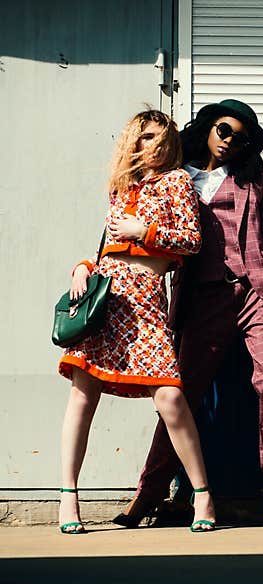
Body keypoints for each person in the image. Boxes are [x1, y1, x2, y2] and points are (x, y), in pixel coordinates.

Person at [113, 99, 263, 530]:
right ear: (209, 128)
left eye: (241, 138)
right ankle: (148, 495)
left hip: (259, 294)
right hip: (202, 299)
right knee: (180, 394)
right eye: (224, 130)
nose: (230, 141)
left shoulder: (254, 182)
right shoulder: (174, 180)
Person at [58, 109, 216, 534]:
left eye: (158, 138)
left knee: (169, 399)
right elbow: (106, 244)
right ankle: (68, 498)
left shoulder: (177, 181)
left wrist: (143, 230)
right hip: (107, 296)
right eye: (143, 137)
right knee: (82, 396)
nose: (151, 146)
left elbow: (191, 240)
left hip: (145, 300)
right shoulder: (121, 187)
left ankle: (203, 496)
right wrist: (81, 268)